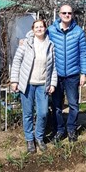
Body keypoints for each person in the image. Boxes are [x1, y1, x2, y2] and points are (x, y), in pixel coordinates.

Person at [10, 19, 57, 153]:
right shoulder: (26, 43)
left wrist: (53, 83)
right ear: (32, 29)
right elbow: (17, 61)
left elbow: (53, 66)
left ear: (45, 28)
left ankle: (39, 137)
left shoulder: (50, 45)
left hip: (43, 84)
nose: (39, 29)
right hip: (27, 84)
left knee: (43, 113)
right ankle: (30, 139)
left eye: (41, 27)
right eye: (36, 27)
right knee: (28, 113)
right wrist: (14, 80)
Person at [48, 4, 86, 142]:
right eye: (64, 13)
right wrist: (26, 41)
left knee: (73, 104)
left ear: (72, 15)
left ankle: (71, 129)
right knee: (57, 105)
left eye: (69, 13)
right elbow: (38, 36)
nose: (67, 15)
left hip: (72, 74)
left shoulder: (78, 32)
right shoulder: (51, 31)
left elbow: (83, 53)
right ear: (59, 14)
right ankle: (60, 130)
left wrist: (84, 73)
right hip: (56, 75)